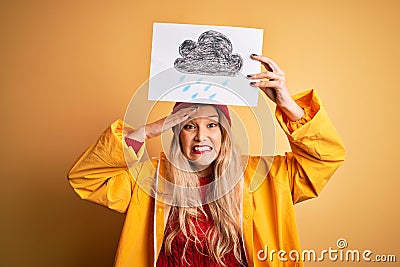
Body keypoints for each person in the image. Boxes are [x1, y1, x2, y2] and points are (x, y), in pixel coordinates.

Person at [68, 55, 345, 266]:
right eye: (189, 125)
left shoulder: (265, 176)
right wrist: (146, 131)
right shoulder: (150, 179)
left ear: (225, 133)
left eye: (212, 125)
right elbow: (86, 178)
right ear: (175, 131)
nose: (201, 136)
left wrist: (287, 105)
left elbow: (325, 159)